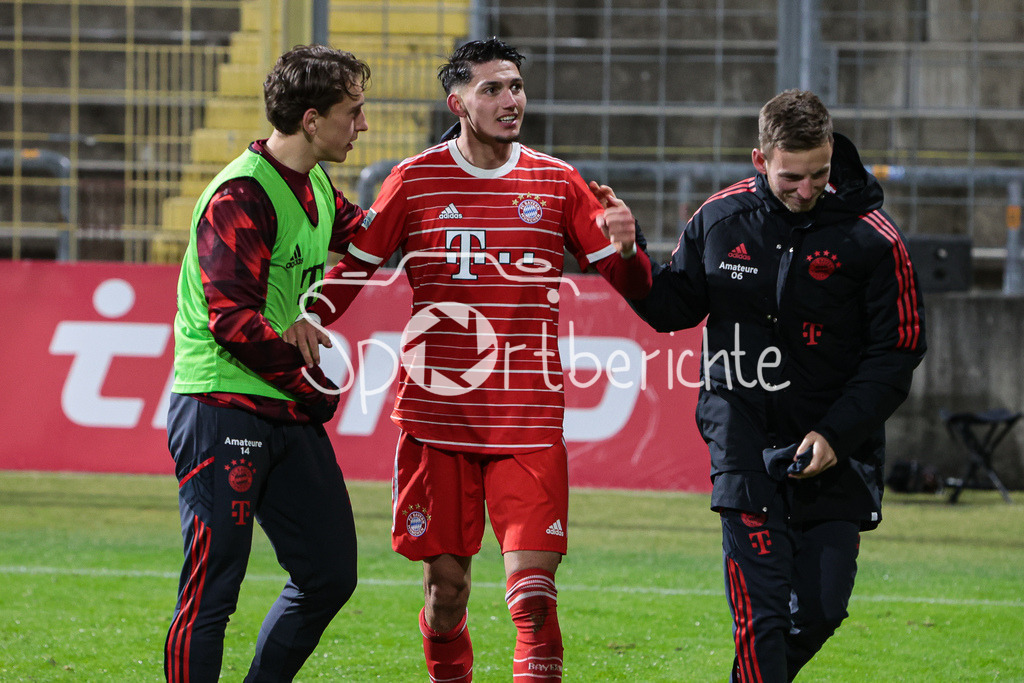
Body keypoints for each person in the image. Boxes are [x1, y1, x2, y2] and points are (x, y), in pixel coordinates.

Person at [284, 37, 651, 682]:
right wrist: (309, 314)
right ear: (457, 102)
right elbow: (356, 266)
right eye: (492, 89)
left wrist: (627, 247)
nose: (510, 101)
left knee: (533, 600)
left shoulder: (557, 183)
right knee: (447, 595)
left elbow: (633, 285)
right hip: (437, 417)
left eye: (515, 87)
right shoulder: (416, 179)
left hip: (528, 417)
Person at [629, 89, 926, 681]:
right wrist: (624, 252)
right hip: (742, 433)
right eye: (791, 177)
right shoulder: (719, 219)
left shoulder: (874, 237)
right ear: (760, 161)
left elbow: (898, 352)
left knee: (820, 609)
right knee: (761, 617)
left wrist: (836, 434)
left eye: (819, 173)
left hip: (837, 446)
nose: (807, 189)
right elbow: (670, 308)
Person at [164, 45, 369, 682]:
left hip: (281, 407)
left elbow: (373, 231)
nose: (362, 125)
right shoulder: (241, 196)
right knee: (213, 587)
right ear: (313, 120)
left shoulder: (314, 189)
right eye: (353, 112)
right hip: (222, 405)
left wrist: (447, 174)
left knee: (329, 574)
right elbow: (232, 322)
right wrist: (311, 386)